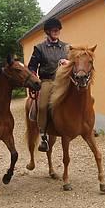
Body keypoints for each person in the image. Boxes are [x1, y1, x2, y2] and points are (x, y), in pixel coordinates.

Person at [28, 17, 69, 152]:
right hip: (48, 81)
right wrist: (33, 80)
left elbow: (73, 63)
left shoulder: (66, 47)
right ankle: (43, 136)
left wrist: (68, 63)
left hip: (63, 81)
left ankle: (87, 126)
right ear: (48, 32)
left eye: (57, 29)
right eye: (53, 29)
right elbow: (32, 67)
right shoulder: (39, 48)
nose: (56, 31)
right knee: (43, 105)